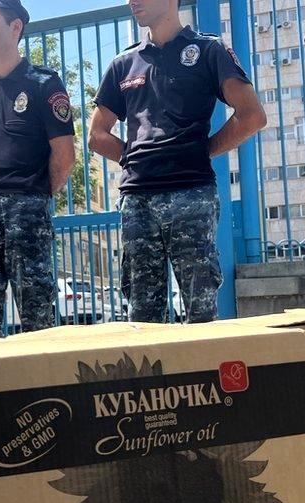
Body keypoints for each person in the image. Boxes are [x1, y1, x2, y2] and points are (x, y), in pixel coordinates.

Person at [88, 0, 266, 324]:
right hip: (137, 200)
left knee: (201, 314)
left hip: (191, 193)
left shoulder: (209, 50)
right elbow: (96, 134)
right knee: (142, 317)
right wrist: (135, 159)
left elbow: (252, 115)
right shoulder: (123, 63)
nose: (131, 1)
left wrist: (204, 149)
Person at [0, 0, 75, 338]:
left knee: (37, 312)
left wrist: (33, 194)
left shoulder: (44, 84)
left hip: (28, 204)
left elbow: (64, 156)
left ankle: (39, 389)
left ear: (16, 27)